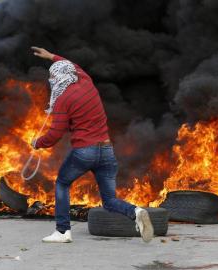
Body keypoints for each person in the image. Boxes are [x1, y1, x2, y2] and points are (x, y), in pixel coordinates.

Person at [31, 47, 154, 243]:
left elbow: (55, 134)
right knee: (109, 201)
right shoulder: (84, 79)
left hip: (84, 152)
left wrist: (37, 142)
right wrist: (51, 56)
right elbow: (71, 65)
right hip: (106, 151)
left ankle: (63, 232)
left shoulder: (63, 99)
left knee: (62, 184)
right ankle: (136, 211)